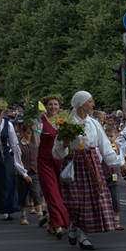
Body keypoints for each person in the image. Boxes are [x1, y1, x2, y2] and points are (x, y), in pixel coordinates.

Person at [53, 91, 126, 250]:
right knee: (75, 201)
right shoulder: (67, 123)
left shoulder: (94, 123)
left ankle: (84, 236)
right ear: (81, 104)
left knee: (90, 201)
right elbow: (57, 152)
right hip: (75, 163)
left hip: (92, 162)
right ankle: (73, 225)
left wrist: (119, 162)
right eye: (90, 101)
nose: (93, 104)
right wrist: (65, 144)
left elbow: (105, 147)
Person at [36, 94, 69, 238]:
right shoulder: (40, 121)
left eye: (55, 104)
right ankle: (59, 226)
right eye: (50, 104)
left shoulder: (63, 122)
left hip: (60, 161)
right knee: (51, 192)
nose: (53, 107)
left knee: (60, 193)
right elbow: (35, 139)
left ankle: (51, 223)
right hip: (44, 161)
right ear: (45, 106)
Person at [14, 122, 41, 226]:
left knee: (36, 193)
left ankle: (40, 216)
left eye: (31, 132)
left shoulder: (35, 145)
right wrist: (24, 174)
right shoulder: (19, 146)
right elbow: (17, 162)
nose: (29, 134)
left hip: (34, 172)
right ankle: (23, 215)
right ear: (23, 132)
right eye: (27, 132)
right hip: (23, 174)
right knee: (22, 195)